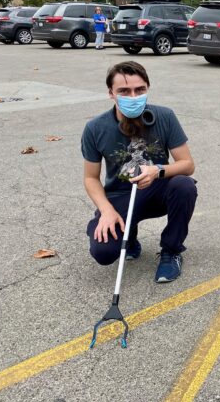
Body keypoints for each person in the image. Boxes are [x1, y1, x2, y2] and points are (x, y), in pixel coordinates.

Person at [82, 61, 197, 283]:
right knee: (104, 253)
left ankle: (171, 251)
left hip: (158, 190)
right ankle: (127, 235)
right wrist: (106, 210)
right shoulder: (95, 128)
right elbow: (90, 178)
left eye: (139, 90)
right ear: (111, 94)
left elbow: (187, 164)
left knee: (184, 185)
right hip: (120, 196)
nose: (133, 96)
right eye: (124, 91)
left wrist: (157, 170)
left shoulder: (164, 116)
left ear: (147, 88)